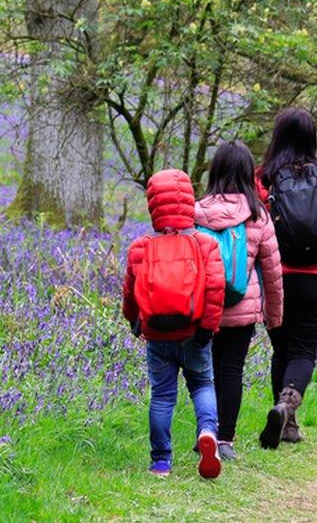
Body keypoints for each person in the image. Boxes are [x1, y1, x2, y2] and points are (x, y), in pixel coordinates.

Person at [255, 108, 317, 449]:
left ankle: (286, 421)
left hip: (274, 278)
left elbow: (255, 228)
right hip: (314, 278)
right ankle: (287, 408)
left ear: (277, 136)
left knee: (280, 348)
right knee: (303, 351)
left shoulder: (262, 177)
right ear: (312, 137)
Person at [121, 169, 226, 479]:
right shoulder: (205, 244)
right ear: (189, 201)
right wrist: (208, 328)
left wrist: (134, 322)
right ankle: (207, 433)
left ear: (153, 205)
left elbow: (130, 293)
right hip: (194, 333)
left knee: (163, 396)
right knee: (203, 385)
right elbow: (216, 289)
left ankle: (161, 462)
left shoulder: (141, 247)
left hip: (157, 336)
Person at [194, 141, 284, 461]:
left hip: (203, 308)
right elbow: (273, 272)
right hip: (241, 309)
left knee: (204, 372)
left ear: (215, 170)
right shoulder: (258, 215)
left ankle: (204, 431)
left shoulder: (198, 211)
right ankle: (224, 440)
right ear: (248, 173)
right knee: (231, 370)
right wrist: (274, 317)